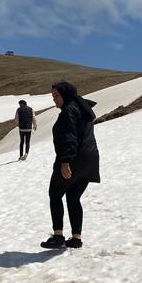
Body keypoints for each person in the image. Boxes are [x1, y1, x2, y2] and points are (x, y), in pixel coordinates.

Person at [41, 81, 100, 250]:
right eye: (53, 96)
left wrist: (65, 161)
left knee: (55, 194)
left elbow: (70, 137)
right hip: (89, 160)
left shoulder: (69, 110)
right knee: (73, 197)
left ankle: (58, 236)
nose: (54, 99)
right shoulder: (83, 109)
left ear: (65, 95)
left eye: (56, 95)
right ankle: (76, 239)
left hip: (73, 159)